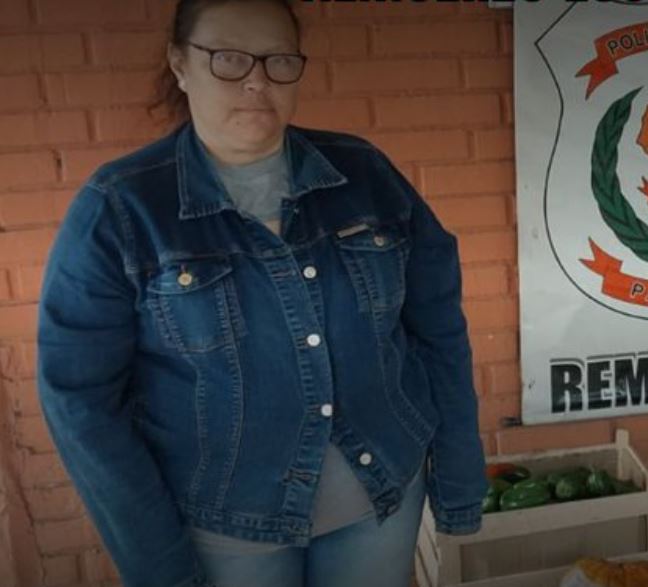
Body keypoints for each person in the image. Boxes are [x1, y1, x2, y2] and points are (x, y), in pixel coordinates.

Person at [36, 1, 487, 585]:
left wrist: (458, 478)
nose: (256, 80)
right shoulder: (121, 209)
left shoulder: (365, 175)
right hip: (225, 529)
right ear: (179, 64)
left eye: (279, 61)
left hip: (382, 503)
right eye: (228, 58)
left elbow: (439, 332)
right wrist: (156, 562)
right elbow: (81, 403)